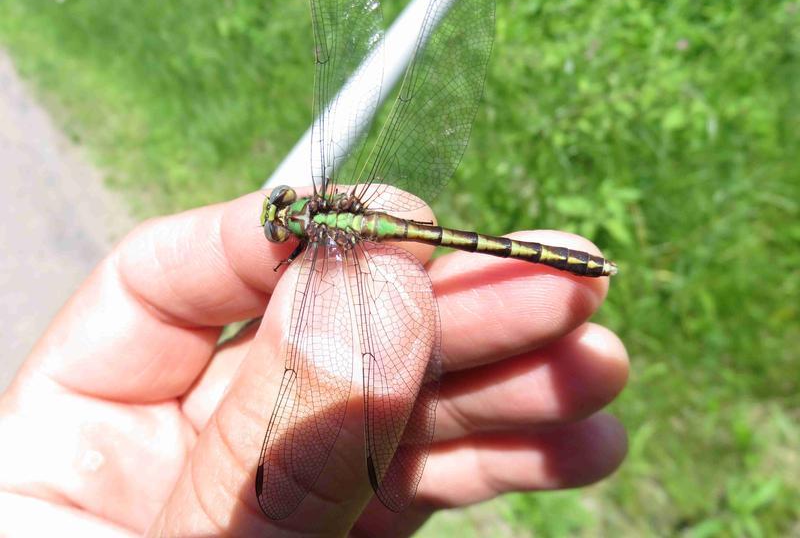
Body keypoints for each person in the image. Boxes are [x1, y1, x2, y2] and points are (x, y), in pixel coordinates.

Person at [0, 191, 628, 536]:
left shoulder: (318, 245)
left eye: (280, 218)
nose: (277, 221)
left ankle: (582, 268)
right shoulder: (329, 222)